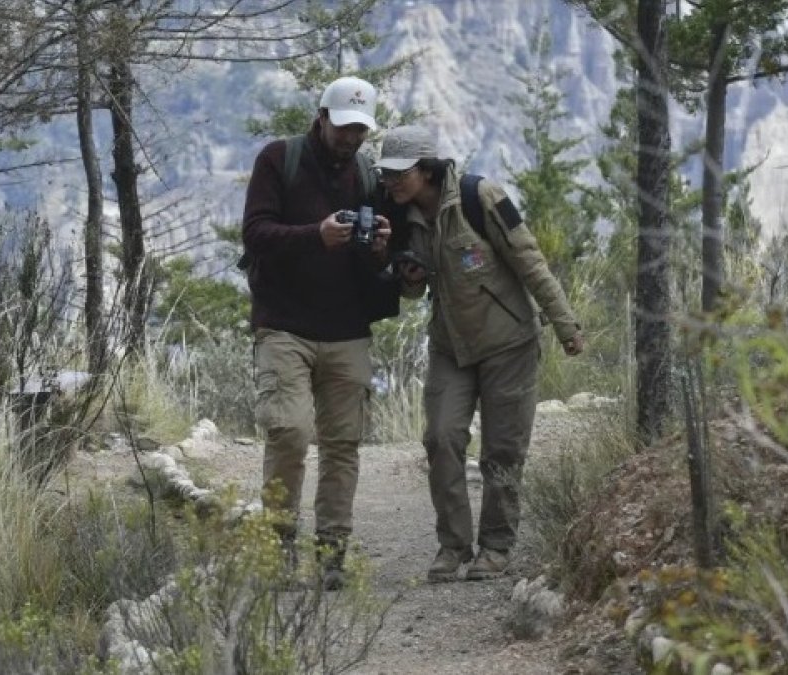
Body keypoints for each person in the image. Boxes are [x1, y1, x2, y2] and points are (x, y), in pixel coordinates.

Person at [377, 125, 585, 582]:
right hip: (451, 346)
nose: (390, 183)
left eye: (400, 174)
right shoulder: (400, 217)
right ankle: (452, 546)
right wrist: (408, 276)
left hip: (508, 343)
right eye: (386, 174)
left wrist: (566, 323)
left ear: (427, 170)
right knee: (441, 438)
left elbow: (529, 260)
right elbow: (413, 293)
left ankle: (496, 546)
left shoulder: (481, 197)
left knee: (503, 451)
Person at [241, 76, 393, 590]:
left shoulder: (368, 177)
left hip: (348, 328)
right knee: (288, 431)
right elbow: (255, 233)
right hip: (283, 323)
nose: (352, 138)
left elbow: (384, 259)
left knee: (343, 443)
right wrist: (316, 235)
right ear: (322, 117)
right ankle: (279, 544)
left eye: (361, 130)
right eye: (345, 127)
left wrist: (381, 250)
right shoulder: (278, 159)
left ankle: (332, 552)